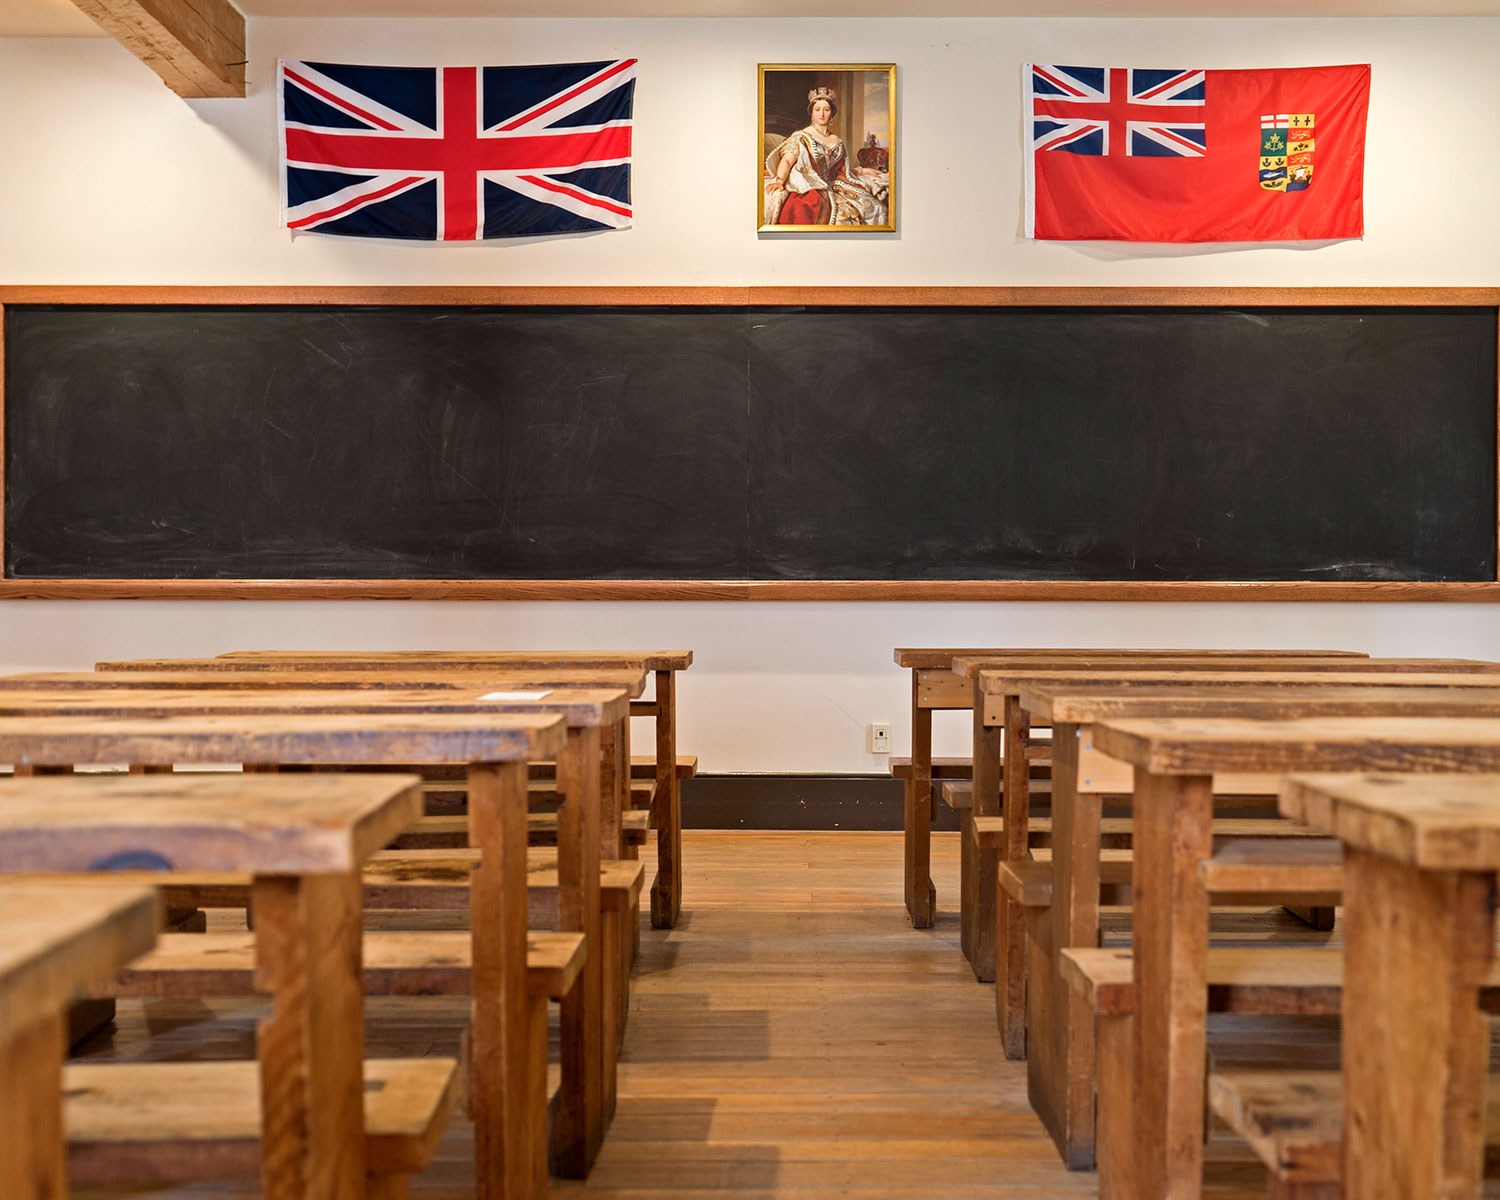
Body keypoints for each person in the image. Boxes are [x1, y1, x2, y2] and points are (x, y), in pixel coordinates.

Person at [764, 86, 888, 227]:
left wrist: (862, 171)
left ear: (832, 114)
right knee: (832, 215)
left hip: (835, 186)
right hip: (810, 186)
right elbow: (787, 160)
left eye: (826, 110)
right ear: (812, 113)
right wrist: (779, 181)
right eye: (817, 110)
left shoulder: (837, 140)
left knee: (874, 207)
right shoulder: (801, 136)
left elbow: (840, 171)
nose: (822, 114)